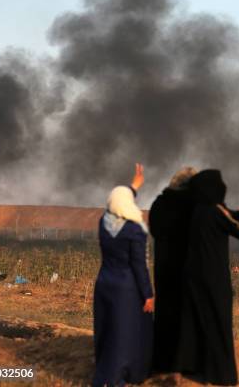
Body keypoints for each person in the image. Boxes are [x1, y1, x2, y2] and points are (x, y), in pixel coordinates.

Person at [174, 169, 239, 386]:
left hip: (193, 277)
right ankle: (221, 374)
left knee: (198, 321)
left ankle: (195, 367)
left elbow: (234, 215)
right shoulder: (213, 211)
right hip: (213, 278)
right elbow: (238, 229)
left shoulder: (197, 210)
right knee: (218, 321)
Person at [93, 164, 154, 386]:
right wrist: (147, 294)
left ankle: (105, 373)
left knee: (108, 330)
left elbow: (119, 200)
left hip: (104, 284)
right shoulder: (134, 229)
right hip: (127, 289)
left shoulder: (104, 222)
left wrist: (134, 185)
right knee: (126, 335)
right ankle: (121, 377)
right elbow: (139, 265)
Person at [149, 166, 197, 373]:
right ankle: (183, 362)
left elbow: (154, 230)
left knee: (165, 313)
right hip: (184, 267)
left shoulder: (159, 203)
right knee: (184, 314)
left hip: (163, 266)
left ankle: (161, 360)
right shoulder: (191, 207)